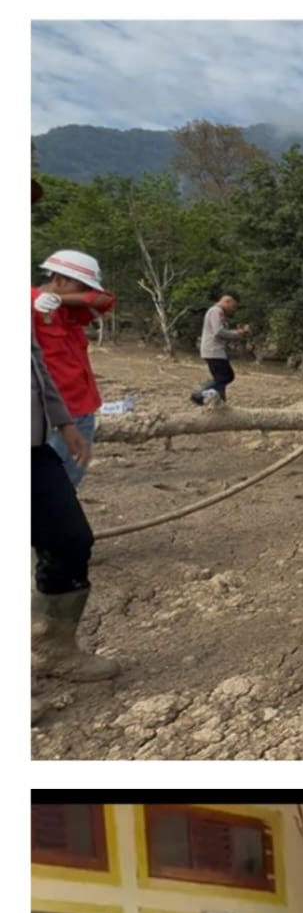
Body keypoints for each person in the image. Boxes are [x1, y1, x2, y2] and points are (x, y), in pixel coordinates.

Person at [31, 327, 118, 696]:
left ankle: (53, 648)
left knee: (70, 539)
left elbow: (35, 366)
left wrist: (64, 422)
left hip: (32, 447)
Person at [31, 249, 116, 489]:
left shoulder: (67, 308)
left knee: (68, 480)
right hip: (52, 415)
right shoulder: (28, 304)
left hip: (82, 409)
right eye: (83, 287)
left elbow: (106, 299)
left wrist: (60, 299)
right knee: (51, 487)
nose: (88, 293)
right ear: (59, 280)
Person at [190, 293, 251, 406]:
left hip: (213, 350)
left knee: (219, 380)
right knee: (226, 376)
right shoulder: (216, 311)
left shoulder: (216, 312)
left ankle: (221, 404)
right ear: (226, 301)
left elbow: (221, 332)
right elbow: (219, 332)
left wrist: (238, 333)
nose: (233, 310)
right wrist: (238, 333)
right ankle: (199, 395)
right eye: (233, 306)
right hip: (214, 351)